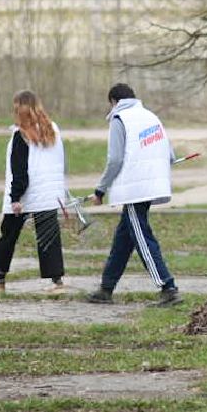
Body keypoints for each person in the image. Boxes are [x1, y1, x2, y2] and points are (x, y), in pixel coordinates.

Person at [85, 83, 181, 306]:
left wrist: (100, 190)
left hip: (135, 189)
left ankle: (168, 288)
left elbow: (115, 159)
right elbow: (170, 155)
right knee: (124, 238)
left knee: (142, 237)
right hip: (150, 186)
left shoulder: (119, 119)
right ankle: (106, 289)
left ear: (114, 102)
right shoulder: (151, 116)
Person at [0, 90, 68, 293]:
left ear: (18, 110)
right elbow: (61, 162)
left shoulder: (20, 134)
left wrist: (15, 198)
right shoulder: (53, 130)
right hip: (50, 194)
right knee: (48, 237)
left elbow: (19, 170)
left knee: (9, 235)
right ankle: (57, 282)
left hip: (25, 196)